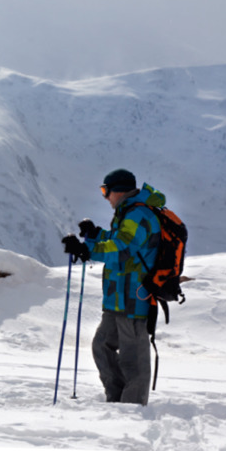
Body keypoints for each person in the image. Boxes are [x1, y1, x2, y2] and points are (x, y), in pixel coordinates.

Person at [61, 168, 164, 405]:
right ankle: (117, 400)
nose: (105, 196)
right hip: (117, 296)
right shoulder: (127, 213)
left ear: (118, 190)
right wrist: (96, 235)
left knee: (133, 358)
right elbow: (120, 240)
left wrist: (88, 250)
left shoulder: (138, 214)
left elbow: (123, 249)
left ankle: (132, 408)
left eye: (105, 191)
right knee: (102, 346)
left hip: (133, 296)